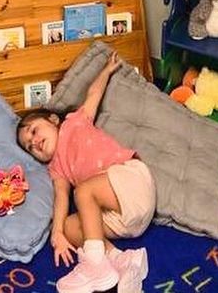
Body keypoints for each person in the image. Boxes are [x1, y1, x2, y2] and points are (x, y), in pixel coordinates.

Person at [17, 53, 153, 293]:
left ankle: (94, 267)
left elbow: (93, 94)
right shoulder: (56, 169)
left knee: (84, 191)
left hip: (131, 182)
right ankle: (122, 260)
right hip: (123, 220)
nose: (35, 142)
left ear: (53, 119)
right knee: (71, 227)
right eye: (29, 146)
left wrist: (106, 71)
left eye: (34, 131)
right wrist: (57, 233)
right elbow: (60, 199)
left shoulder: (74, 122)